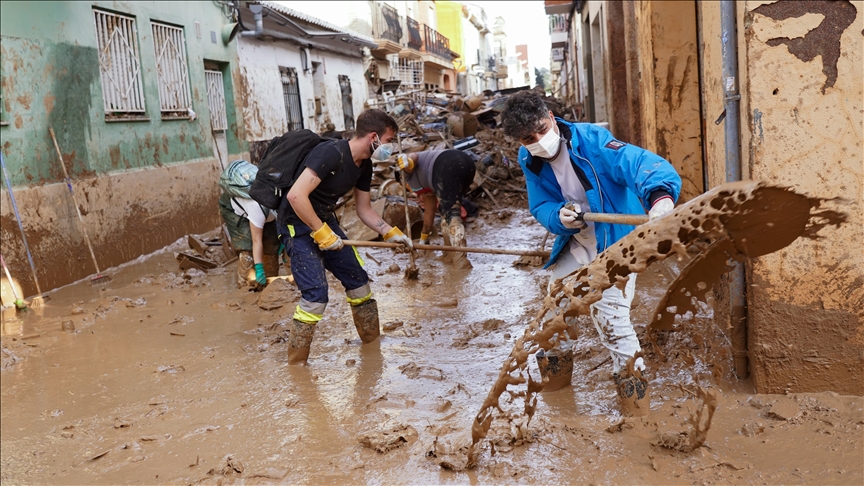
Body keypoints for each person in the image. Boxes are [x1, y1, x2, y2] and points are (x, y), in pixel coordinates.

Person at [501, 91, 681, 413]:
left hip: (615, 242)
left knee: (612, 322)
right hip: (577, 241)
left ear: (552, 118)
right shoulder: (528, 159)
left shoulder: (594, 142)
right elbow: (539, 203)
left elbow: (637, 163)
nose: (540, 140)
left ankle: (637, 412)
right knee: (554, 314)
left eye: (543, 129)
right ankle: (557, 395)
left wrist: (660, 198)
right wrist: (558, 216)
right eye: (529, 138)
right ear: (520, 141)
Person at [279, 109, 412, 365]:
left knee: (359, 281)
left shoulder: (365, 165)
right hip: (297, 222)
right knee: (316, 295)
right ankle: (296, 366)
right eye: (387, 141)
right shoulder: (330, 153)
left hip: (324, 220)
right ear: (373, 137)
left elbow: (364, 209)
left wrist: (390, 233)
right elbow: (296, 197)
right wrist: (320, 233)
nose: (389, 148)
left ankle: (373, 352)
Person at [395, 149, 476, 268]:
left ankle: (461, 260)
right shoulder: (427, 185)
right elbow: (429, 211)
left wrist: (408, 161)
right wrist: (424, 238)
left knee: (452, 215)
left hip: (445, 165)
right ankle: (449, 252)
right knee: (445, 212)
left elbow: (414, 156)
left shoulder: (405, 175)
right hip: (466, 163)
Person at [218, 161, 281, 289]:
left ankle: (270, 286)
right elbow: (256, 241)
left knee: (272, 242)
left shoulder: (284, 200)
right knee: (247, 246)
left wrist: (283, 242)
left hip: (263, 211)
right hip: (233, 209)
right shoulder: (257, 207)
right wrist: (259, 269)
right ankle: (246, 286)